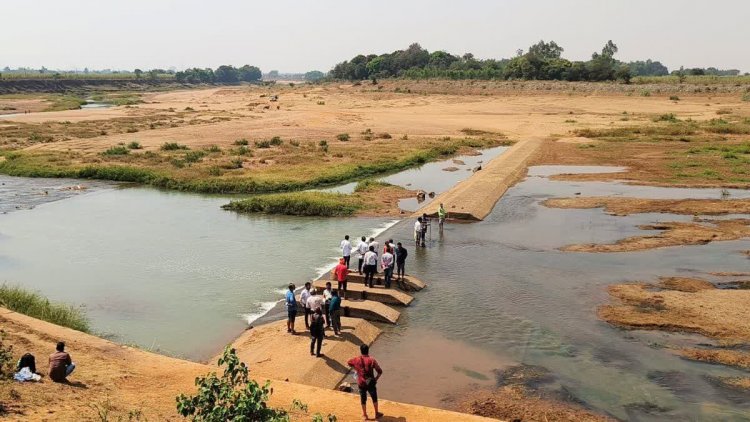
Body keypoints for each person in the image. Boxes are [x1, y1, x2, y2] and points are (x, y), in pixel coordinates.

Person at [347, 344, 383, 421]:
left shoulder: (356, 359)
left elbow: (348, 362)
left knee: (363, 399)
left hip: (361, 383)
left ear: (361, 351)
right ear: (368, 350)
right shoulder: (372, 360)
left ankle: (365, 415)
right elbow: (380, 371)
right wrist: (376, 379)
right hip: (371, 383)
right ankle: (376, 413)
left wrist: (356, 368)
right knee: (374, 398)